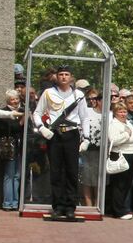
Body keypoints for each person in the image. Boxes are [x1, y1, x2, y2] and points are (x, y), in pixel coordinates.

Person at [32, 63, 90, 221]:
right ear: (56, 77)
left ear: (71, 77)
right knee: (56, 171)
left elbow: (85, 118)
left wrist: (86, 138)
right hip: (55, 134)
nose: (64, 77)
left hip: (72, 134)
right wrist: (41, 128)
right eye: (61, 74)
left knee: (71, 171)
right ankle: (58, 206)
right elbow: (37, 113)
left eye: (66, 74)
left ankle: (70, 207)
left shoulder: (78, 94)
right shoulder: (48, 93)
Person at [103, 99, 133, 219]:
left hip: (132, 155)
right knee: (119, 184)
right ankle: (118, 211)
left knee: (127, 185)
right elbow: (114, 140)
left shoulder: (128, 123)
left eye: (124, 111)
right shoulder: (113, 124)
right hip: (121, 155)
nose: (123, 114)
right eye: (120, 111)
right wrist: (126, 134)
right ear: (115, 113)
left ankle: (122, 208)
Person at [0, 89, 24, 210]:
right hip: (9, 147)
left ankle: (16, 202)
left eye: (16, 98)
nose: (15, 101)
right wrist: (22, 121)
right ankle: (7, 203)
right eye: (12, 99)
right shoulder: (4, 112)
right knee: (9, 175)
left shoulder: (22, 110)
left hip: (20, 147)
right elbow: (11, 128)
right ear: (8, 101)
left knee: (17, 176)